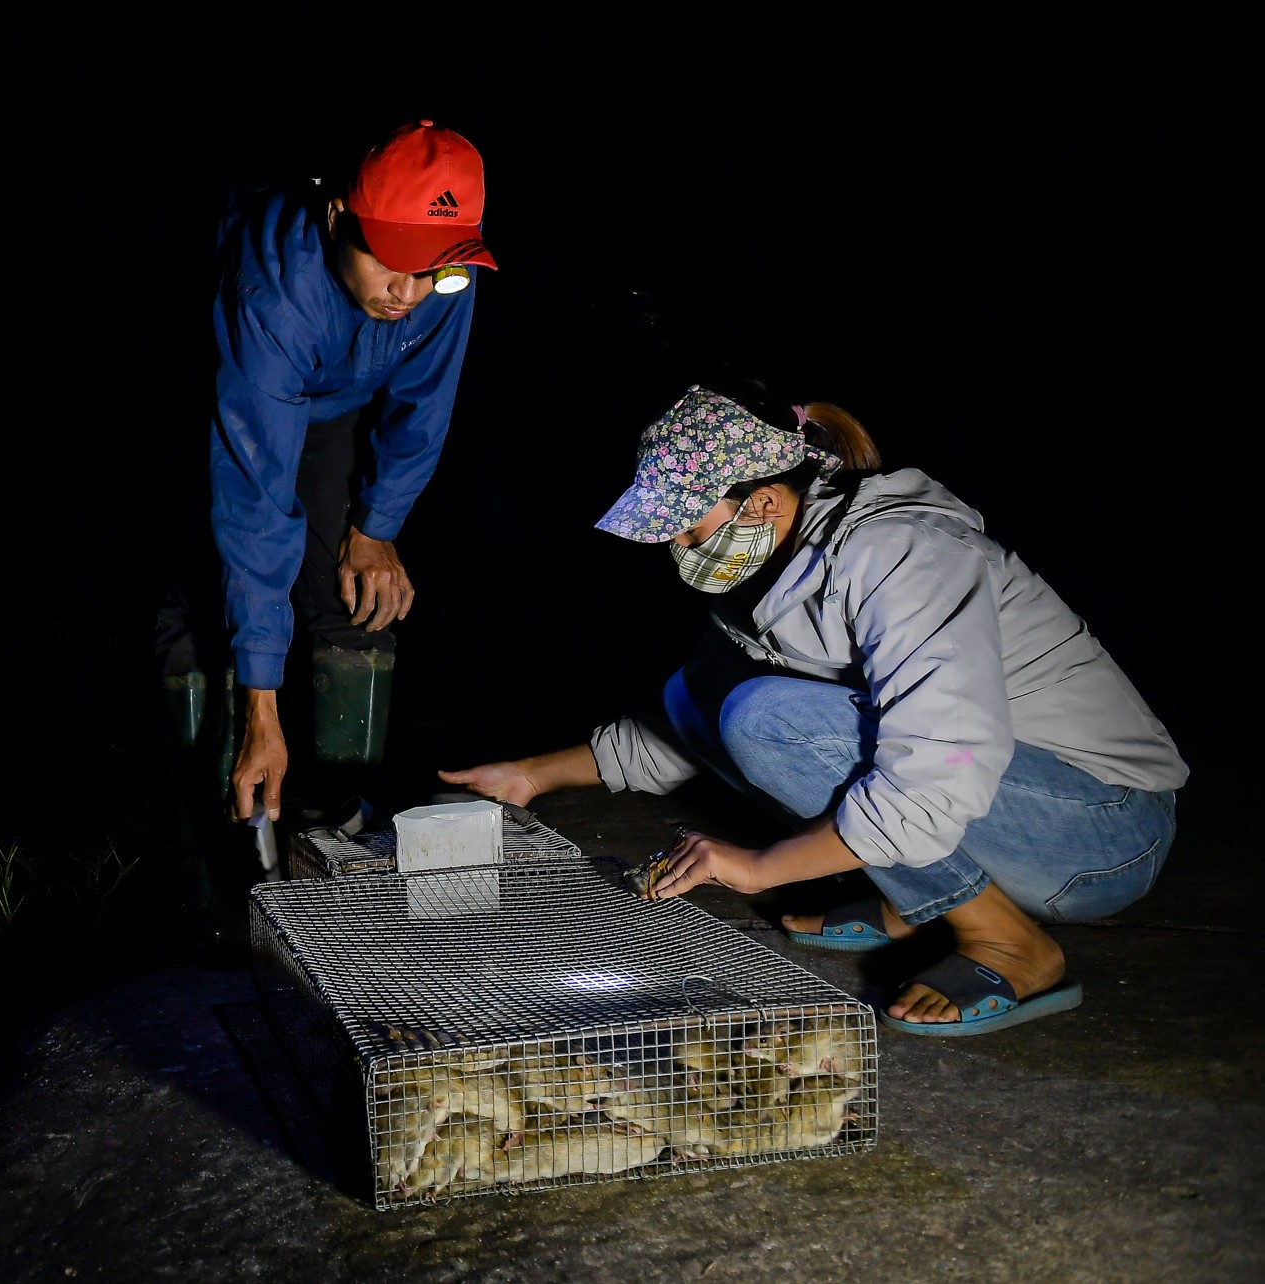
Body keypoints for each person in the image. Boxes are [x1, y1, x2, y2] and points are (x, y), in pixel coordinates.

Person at [438, 380, 1187, 1036]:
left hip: (1102, 832)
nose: (672, 543)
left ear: (763, 501)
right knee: (730, 704)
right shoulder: (766, 576)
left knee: (766, 720)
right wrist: (531, 776)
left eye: (686, 523)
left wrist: (763, 867)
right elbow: (684, 723)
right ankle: (918, 898)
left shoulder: (902, 554)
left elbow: (938, 776)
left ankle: (1006, 941)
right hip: (1001, 803)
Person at [160, 118, 498, 862]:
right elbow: (256, 505)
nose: (409, 292)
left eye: (431, 269)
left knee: (355, 591)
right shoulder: (274, 295)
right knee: (202, 597)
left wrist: (375, 526)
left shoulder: (449, 272)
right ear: (340, 217)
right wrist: (261, 706)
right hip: (232, 391)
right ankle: (208, 860)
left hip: (332, 401)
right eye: (390, 264)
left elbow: (424, 405)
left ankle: (341, 826)